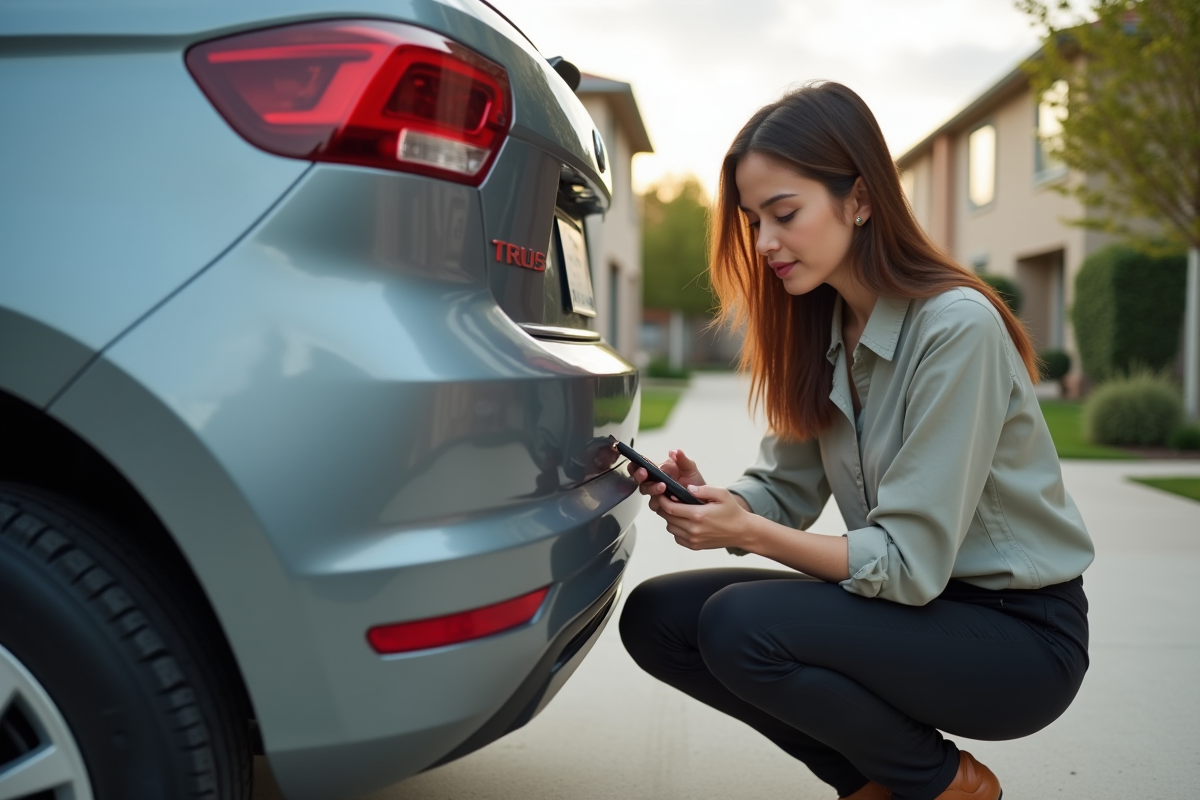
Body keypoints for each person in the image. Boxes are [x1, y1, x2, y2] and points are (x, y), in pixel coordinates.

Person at [618, 82, 1094, 800]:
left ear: (861, 200)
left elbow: (906, 562)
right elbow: (783, 490)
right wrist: (717, 503)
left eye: (784, 213)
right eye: (753, 220)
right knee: (658, 619)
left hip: (1016, 640)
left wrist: (747, 532)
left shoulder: (956, 327)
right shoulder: (822, 326)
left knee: (742, 625)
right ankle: (874, 785)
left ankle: (945, 785)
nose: (765, 242)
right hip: (914, 614)